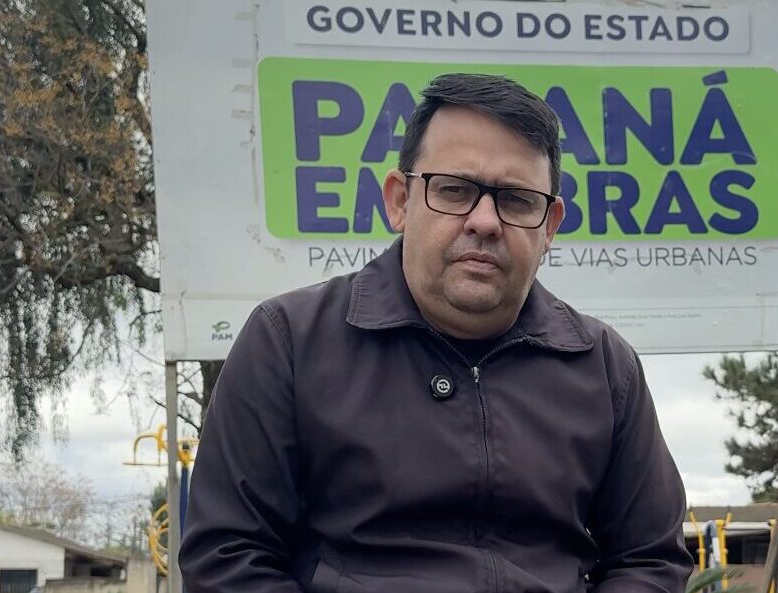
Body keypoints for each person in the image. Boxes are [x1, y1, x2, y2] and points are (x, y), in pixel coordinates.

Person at [180, 73, 692, 593]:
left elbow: (651, 560)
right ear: (400, 201)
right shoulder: (289, 342)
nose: (485, 221)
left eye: (516, 200)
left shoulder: (603, 366)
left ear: (550, 225)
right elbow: (227, 559)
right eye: (455, 190)